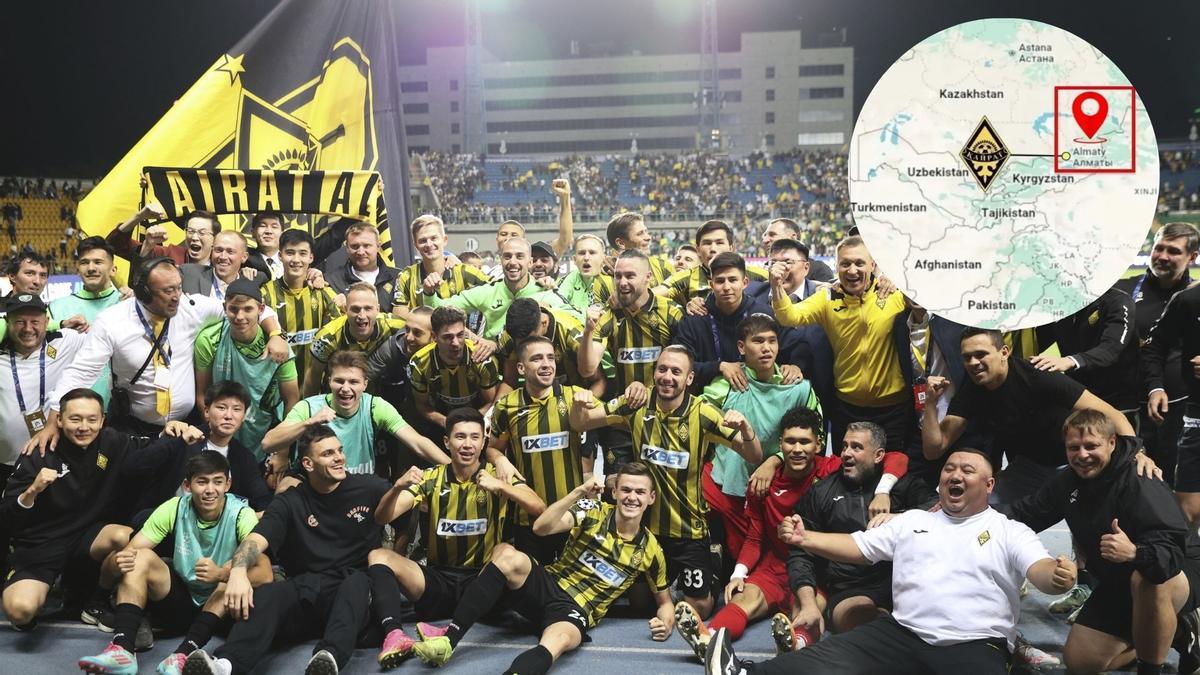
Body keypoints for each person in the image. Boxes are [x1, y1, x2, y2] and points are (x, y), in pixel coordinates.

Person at [705, 449, 1076, 675]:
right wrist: (806, 538)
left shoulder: (1008, 530)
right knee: (824, 660)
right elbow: (859, 547)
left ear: (990, 485)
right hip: (902, 634)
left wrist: (1057, 577)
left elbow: (1039, 570)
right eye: (950, 469)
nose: (955, 475)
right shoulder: (914, 520)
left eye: (967, 470)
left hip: (975, 645)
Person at [407, 465, 675, 675]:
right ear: (615, 492)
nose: (632, 497)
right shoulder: (593, 511)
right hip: (548, 584)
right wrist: (578, 492)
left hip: (575, 611)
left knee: (557, 642)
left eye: (640, 492)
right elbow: (542, 528)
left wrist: (666, 621)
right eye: (626, 490)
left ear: (651, 498)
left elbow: (665, 602)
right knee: (508, 556)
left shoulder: (651, 551)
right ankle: (449, 640)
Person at [572, 346, 762, 620]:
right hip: (645, 529)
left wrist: (746, 428)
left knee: (699, 609)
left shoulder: (704, 413)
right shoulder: (635, 404)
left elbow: (754, 455)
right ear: (654, 372)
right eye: (662, 369)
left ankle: (713, 560)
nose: (667, 377)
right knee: (639, 605)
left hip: (688, 531)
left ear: (689, 379)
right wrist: (580, 405)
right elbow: (582, 423)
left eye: (676, 371)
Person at [183, 425, 390, 675]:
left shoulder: (369, 487)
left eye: (340, 451)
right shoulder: (290, 501)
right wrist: (237, 573)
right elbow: (255, 540)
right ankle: (225, 665)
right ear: (308, 464)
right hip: (307, 590)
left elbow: (407, 510)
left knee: (357, 582)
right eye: (327, 454)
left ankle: (328, 660)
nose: (339, 458)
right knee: (269, 595)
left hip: (352, 591)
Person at [1005, 409, 1200, 675]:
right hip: (1119, 578)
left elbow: (1170, 552)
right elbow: (1025, 514)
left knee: (1148, 580)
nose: (1082, 455)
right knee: (1082, 663)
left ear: (1112, 443)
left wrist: (1136, 552)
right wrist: (969, 516)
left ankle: (1152, 666)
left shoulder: (1140, 479)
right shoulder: (1067, 482)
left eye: (1091, 446)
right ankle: (1178, 632)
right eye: (1074, 447)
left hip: (1174, 570)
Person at [1, 389, 201, 631]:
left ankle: (97, 598)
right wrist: (32, 491)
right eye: (75, 419)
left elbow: (150, 448)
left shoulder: (111, 440)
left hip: (86, 537)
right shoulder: (38, 452)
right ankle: (48, 590)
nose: (84, 426)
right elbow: (7, 516)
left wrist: (172, 431)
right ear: (60, 420)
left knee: (126, 537)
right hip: (41, 544)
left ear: (102, 420)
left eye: (91, 419)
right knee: (20, 611)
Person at [367, 407, 546, 668]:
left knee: (507, 552)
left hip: (483, 583)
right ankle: (394, 634)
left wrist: (501, 487)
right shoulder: (430, 478)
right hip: (439, 581)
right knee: (378, 555)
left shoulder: (498, 475)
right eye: (460, 437)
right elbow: (382, 518)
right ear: (447, 442)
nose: (467, 444)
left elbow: (538, 507)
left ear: (484, 442)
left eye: (475, 437)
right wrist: (396, 487)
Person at [37, 258, 290, 440]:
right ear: (144, 292)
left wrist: (275, 333)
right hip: (135, 428)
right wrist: (53, 418)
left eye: (179, 287)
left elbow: (247, 307)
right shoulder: (112, 322)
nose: (177, 296)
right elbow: (80, 372)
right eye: (168, 291)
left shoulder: (191, 307)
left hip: (185, 426)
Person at [76, 452, 274, 675]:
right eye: (202, 482)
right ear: (187, 485)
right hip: (181, 600)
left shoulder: (241, 515)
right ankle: (122, 649)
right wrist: (117, 562)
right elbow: (129, 553)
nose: (210, 490)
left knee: (233, 570)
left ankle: (183, 654)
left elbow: (265, 573)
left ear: (227, 484)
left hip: (223, 608)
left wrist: (221, 573)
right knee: (138, 557)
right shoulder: (175, 507)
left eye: (217, 482)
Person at [924, 327, 1146, 505]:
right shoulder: (972, 386)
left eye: (980, 354)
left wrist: (1138, 453)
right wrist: (931, 404)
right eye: (967, 357)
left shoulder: (1037, 374)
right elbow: (934, 449)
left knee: (1089, 524)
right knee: (981, 507)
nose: (973, 363)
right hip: (1030, 466)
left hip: (1073, 463)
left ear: (1004, 353)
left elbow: (1113, 415)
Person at [771, 235, 911, 450]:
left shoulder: (893, 294)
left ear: (872, 265)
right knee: (847, 474)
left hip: (893, 408)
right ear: (836, 266)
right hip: (847, 407)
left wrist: (896, 279)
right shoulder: (827, 298)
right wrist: (776, 285)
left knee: (891, 473)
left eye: (859, 263)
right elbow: (789, 316)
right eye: (845, 264)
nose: (852, 270)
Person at [699, 314, 820, 561]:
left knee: (775, 559)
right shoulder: (727, 385)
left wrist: (774, 460)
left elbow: (817, 439)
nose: (766, 348)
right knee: (735, 558)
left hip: (777, 489)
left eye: (772, 341)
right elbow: (694, 420)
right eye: (758, 341)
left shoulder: (798, 387)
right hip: (726, 487)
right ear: (741, 347)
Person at [266, 350, 449, 492]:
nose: (345, 388)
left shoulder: (375, 406)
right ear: (329, 381)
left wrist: (455, 468)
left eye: (353, 382)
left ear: (365, 384)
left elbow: (417, 442)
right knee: (285, 489)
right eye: (339, 381)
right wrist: (310, 422)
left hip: (358, 483)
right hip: (317, 483)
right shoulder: (309, 407)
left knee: (403, 495)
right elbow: (268, 443)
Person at [489, 336, 594, 563]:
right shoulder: (507, 406)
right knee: (534, 586)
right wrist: (499, 459)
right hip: (528, 519)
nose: (546, 364)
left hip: (572, 514)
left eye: (550, 357)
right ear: (521, 367)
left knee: (568, 587)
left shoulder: (575, 396)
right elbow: (492, 449)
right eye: (537, 359)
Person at [1117, 222, 1198, 485]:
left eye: (1173, 251)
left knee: (1173, 485)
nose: (1163, 256)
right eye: (1158, 248)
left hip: (1179, 407)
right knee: (1122, 481)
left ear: (1192, 257)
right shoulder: (1122, 290)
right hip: (1124, 404)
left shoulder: (1194, 298)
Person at [128, 381, 274, 512]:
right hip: (166, 520)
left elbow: (261, 499)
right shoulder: (184, 435)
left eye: (236, 409)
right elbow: (133, 466)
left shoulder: (244, 457)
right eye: (221, 407)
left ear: (243, 417)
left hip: (213, 529)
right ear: (206, 412)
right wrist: (177, 441)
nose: (229, 416)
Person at [194, 279, 300, 455]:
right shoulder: (210, 339)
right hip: (221, 429)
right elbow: (202, 394)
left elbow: (292, 400)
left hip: (266, 430)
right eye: (233, 309)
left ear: (260, 309)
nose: (240, 316)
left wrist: (282, 454)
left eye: (248, 309)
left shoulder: (279, 348)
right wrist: (213, 437)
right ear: (225, 307)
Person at [677, 252, 804, 388]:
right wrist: (718, 367)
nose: (726, 287)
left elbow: (797, 346)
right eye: (720, 281)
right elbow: (679, 363)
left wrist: (795, 366)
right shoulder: (694, 319)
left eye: (733, 280)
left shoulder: (764, 314)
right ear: (711, 285)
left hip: (758, 395)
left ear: (745, 283)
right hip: (707, 399)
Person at [0, 294, 88, 482]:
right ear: (7, 322)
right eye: (20, 322)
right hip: (4, 460)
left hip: (53, 455)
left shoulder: (66, 341)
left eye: (35, 322)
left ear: (47, 321)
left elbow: (108, 337)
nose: (28, 329)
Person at [427, 237, 572, 342]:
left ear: (530, 262)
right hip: (496, 366)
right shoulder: (487, 291)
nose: (513, 262)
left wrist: (548, 313)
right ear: (501, 260)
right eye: (507, 256)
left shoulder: (545, 292)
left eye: (519, 256)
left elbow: (576, 319)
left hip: (533, 366)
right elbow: (438, 309)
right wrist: (429, 292)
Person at [1034, 287, 1140, 425]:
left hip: (1118, 403)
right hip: (1078, 400)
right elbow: (1037, 340)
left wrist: (1070, 361)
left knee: (1113, 445)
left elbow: (1110, 349)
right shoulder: (1061, 305)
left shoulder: (1118, 301)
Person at [1143, 270, 1200, 527]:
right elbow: (1155, 346)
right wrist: (1156, 387)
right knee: (1188, 512)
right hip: (1197, 413)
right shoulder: (1189, 300)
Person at [260, 229, 342, 396]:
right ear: (280, 255)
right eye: (290, 253)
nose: (296, 260)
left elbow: (341, 331)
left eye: (302, 253)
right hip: (274, 392)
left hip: (315, 392)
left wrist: (345, 302)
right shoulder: (265, 294)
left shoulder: (323, 292)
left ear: (311, 257)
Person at [48, 237, 124, 407]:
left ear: (113, 269)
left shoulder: (128, 304)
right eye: (84, 262)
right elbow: (49, 354)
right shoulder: (57, 308)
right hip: (73, 409)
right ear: (77, 268)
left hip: (120, 410)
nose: (91, 268)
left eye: (98, 262)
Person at [304, 282, 406, 396]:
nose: (362, 316)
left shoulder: (396, 325)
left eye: (368, 309)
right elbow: (313, 377)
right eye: (355, 309)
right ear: (346, 309)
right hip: (338, 397)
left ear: (378, 309)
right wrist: (311, 410)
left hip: (382, 396)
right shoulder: (326, 338)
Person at [409, 306, 501, 429]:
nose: (456, 343)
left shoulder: (483, 360)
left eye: (460, 335)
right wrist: (446, 422)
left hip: (478, 420)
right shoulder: (419, 363)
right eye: (448, 337)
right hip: (439, 422)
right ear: (434, 337)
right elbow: (421, 405)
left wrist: (470, 424)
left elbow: (490, 402)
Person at [391, 215, 488, 328]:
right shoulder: (406, 277)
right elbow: (399, 321)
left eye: (434, 238)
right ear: (415, 245)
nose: (429, 244)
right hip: (421, 344)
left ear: (444, 240)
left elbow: (499, 290)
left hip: (460, 342)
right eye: (422, 240)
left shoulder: (465, 272)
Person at [495, 297, 603, 397]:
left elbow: (599, 382)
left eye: (529, 340)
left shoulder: (570, 332)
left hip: (573, 395)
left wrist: (580, 409)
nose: (524, 347)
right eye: (520, 344)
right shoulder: (513, 333)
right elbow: (509, 382)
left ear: (544, 323)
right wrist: (494, 411)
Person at [323, 222, 400, 312]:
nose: (360, 252)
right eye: (354, 246)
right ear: (347, 248)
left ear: (378, 246)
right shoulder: (331, 281)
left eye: (366, 246)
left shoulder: (399, 278)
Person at [106, 205, 217, 267]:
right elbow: (114, 245)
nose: (194, 237)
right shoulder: (169, 255)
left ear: (215, 239)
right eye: (190, 231)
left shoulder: (224, 263)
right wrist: (138, 217)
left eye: (202, 233)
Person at [180, 231, 259, 299]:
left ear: (244, 257)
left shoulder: (254, 280)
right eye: (218, 250)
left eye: (230, 251)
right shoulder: (188, 273)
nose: (223, 257)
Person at [759, 218, 834, 283]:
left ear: (793, 237)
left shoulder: (818, 270)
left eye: (772, 234)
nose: (765, 240)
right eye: (765, 235)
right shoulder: (763, 272)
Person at [555, 234, 607, 313]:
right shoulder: (570, 278)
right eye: (582, 253)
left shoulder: (612, 281)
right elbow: (556, 305)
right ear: (575, 260)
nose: (586, 258)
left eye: (592, 253)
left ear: (603, 258)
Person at [247, 211, 285, 279]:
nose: (268, 231)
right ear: (253, 232)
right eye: (263, 226)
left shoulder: (292, 260)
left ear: (282, 234)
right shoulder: (244, 261)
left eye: (274, 227)